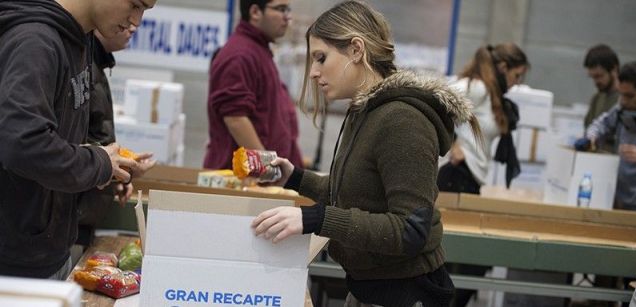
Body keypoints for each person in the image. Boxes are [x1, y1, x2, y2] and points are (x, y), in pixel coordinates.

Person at [251, 1, 483, 306]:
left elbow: (409, 230)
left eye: (321, 58)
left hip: (405, 293)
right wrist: (294, 178)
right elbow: (354, 195)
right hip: (371, 289)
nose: (313, 73)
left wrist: (315, 219)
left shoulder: (402, 120)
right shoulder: (366, 112)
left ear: (356, 50)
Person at [0, 0, 155, 279]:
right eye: (135, 4)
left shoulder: (79, 40)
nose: (137, 21)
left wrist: (108, 166)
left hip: (47, 251)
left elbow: (58, 139)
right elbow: (23, 144)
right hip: (14, 265)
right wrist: (97, 163)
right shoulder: (36, 42)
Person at [437, 43, 529, 307]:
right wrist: (452, 143)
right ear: (503, 67)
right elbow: (435, 99)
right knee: (466, 265)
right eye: (516, 74)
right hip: (456, 179)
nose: (517, 82)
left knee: (466, 266)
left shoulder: (491, 94)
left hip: (469, 182)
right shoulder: (476, 87)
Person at [76, 26, 157, 249]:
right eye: (132, 6)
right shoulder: (83, 64)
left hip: (83, 207)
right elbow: (67, 145)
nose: (134, 25)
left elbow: (91, 140)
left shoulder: (95, 64)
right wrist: (110, 168)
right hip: (70, 212)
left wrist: (115, 173)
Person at [204, 0, 303, 170]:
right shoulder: (239, 56)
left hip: (260, 182)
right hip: (242, 183)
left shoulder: (259, 50)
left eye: (288, 9)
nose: (287, 17)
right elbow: (236, 118)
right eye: (281, 9)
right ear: (256, 12)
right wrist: (268, 169)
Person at [578, 61, 636, 211]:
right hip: (619, 201)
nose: (624, 101)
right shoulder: (620, 110)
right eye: (621, 94)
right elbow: (601, 124)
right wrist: (590, 137)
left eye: (630, 96)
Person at [583, 44, 620, 153]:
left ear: (614, 69)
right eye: (593, 77)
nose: (596, 82)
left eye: (599, 76)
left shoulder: (625, 101)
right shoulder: (596, 99)